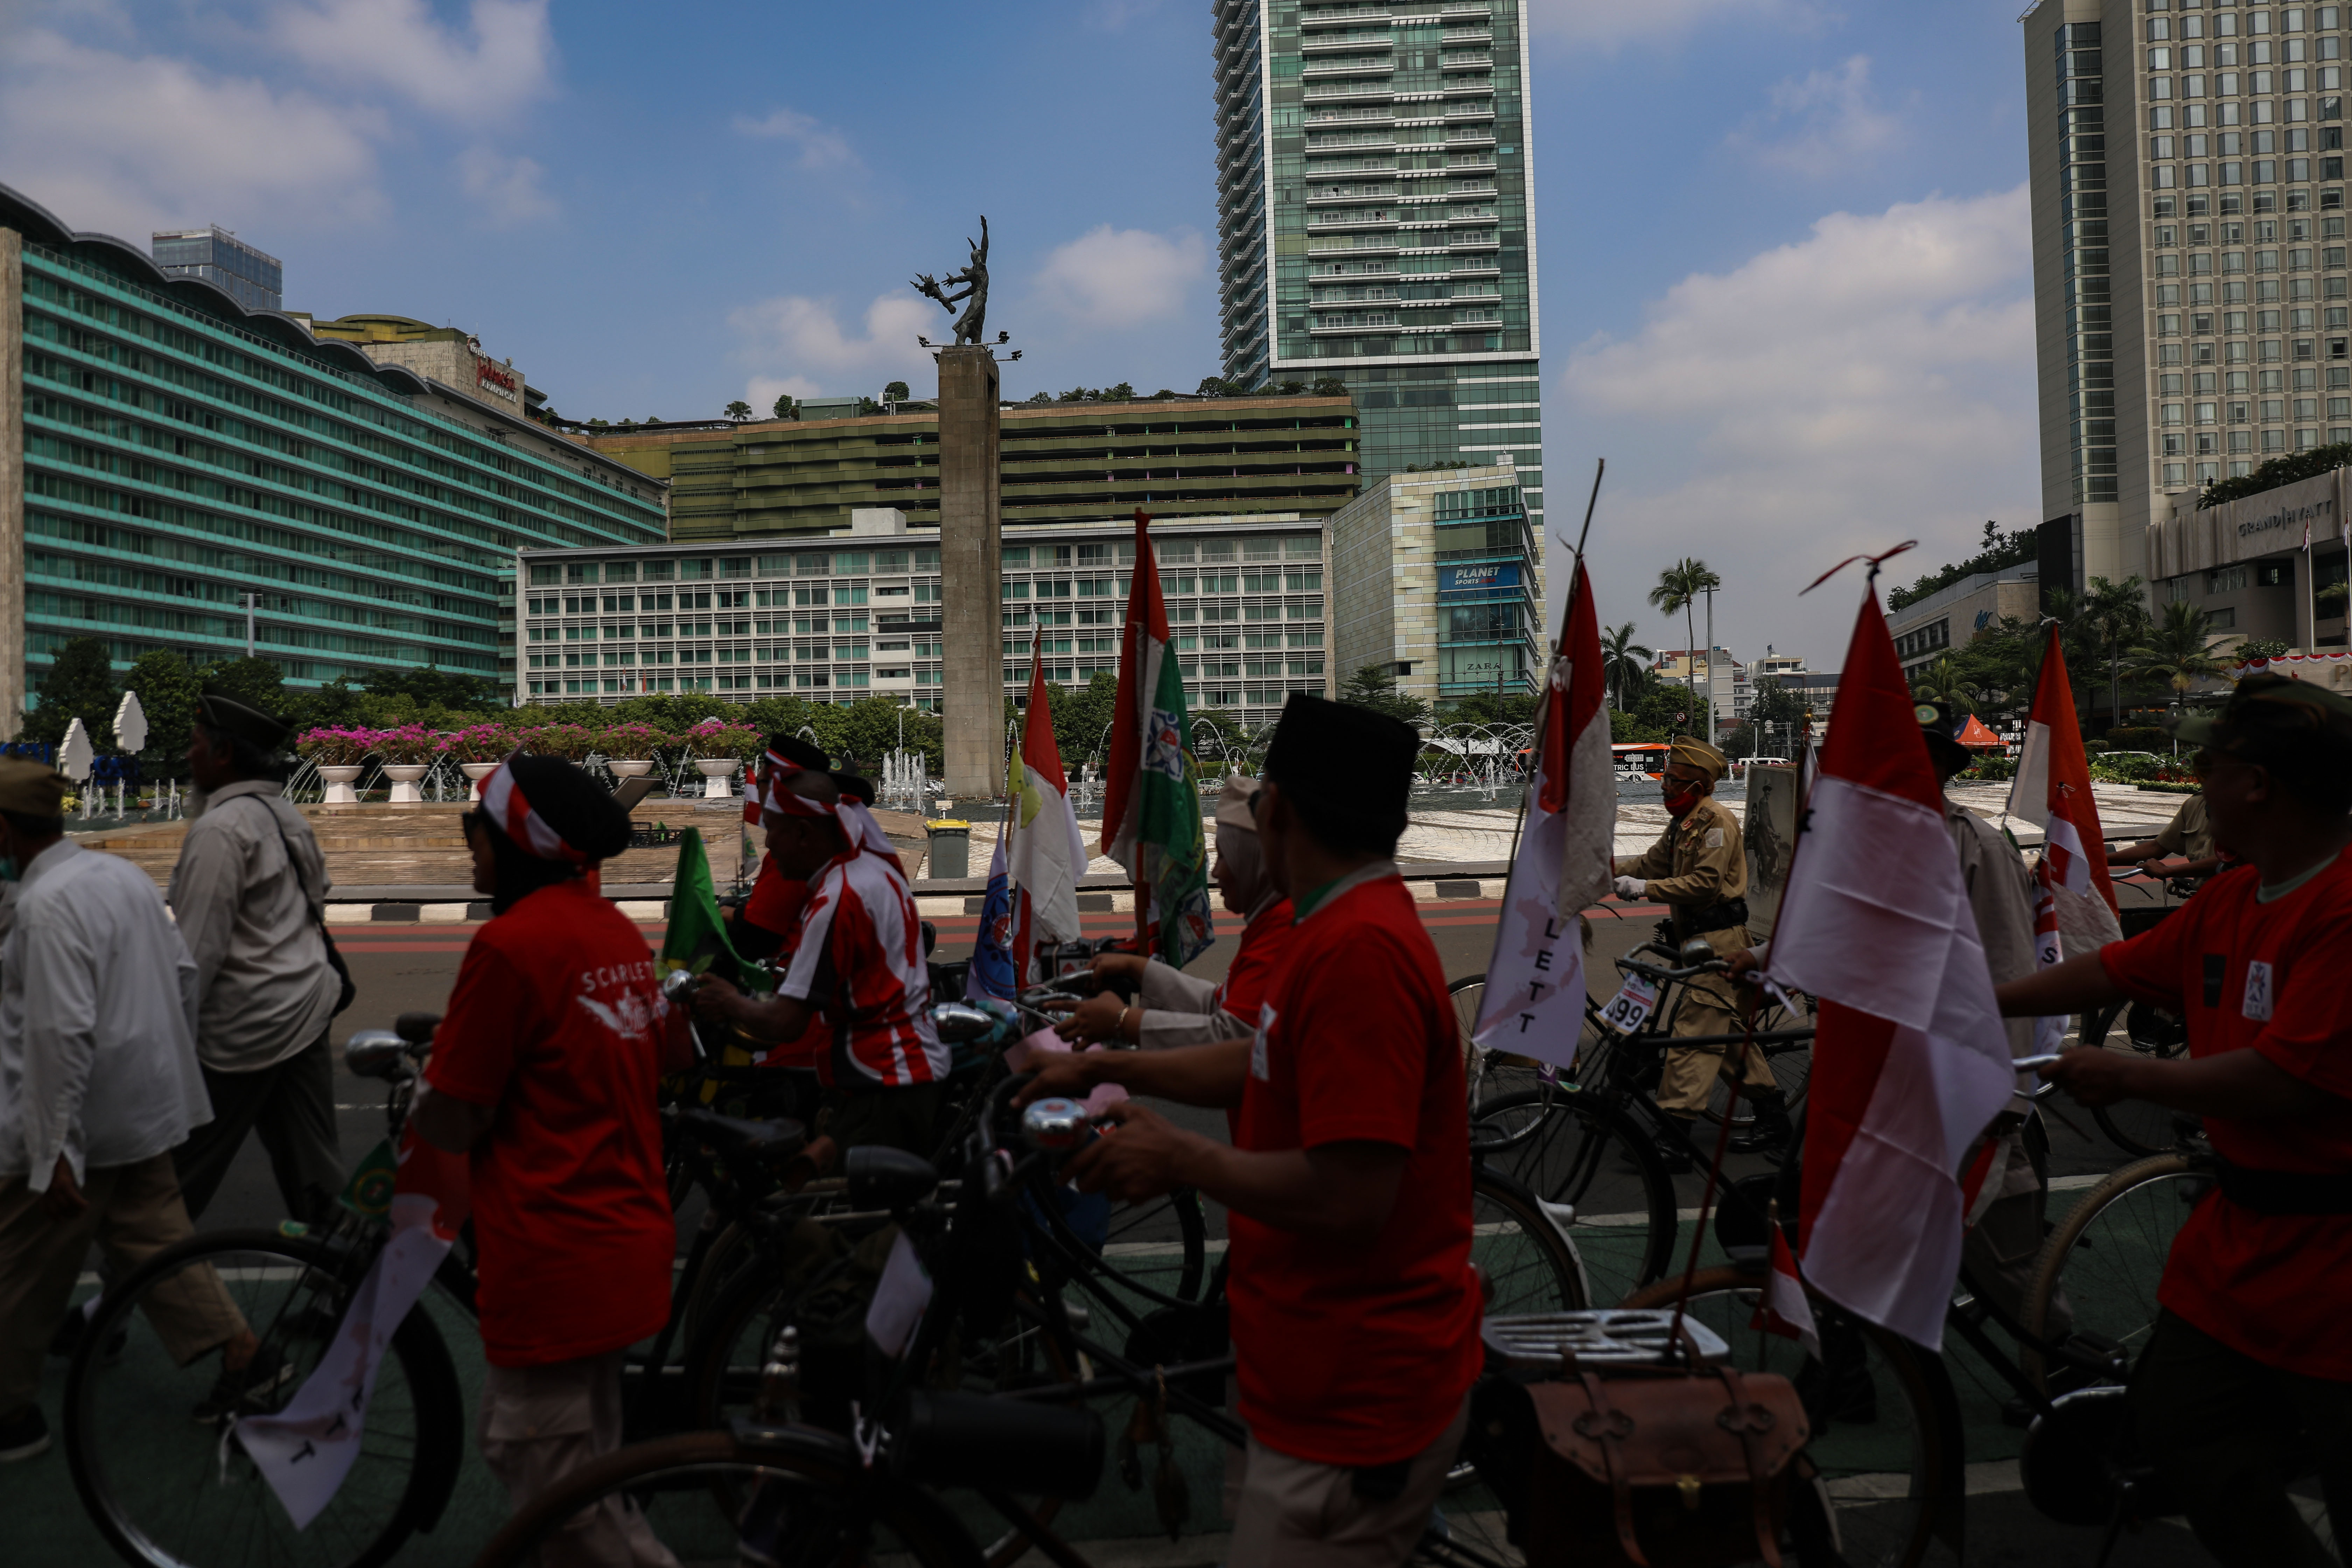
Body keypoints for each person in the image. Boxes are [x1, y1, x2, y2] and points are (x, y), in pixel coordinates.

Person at [1019, 694, 1481, 1568]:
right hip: (1306, 1372)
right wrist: (1106, 1068)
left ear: (1279, 813)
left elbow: (1352, 1200)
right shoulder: (1325, 927)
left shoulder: (1358, 952)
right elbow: (1252, 1060)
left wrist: (1184, 1155)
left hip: (1354, 1392)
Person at [1994, 674, 2352, 1568]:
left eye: (2207, 768)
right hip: (2235, 1248)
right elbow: (2116, 970)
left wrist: (2128, 1072)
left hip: (2336, 1256)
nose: (2199, 788)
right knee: (2184, 1434)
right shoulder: (2234, 898)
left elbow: (2285, 1082)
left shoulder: (2340, 910)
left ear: (2259, 784)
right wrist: (1977, 1003)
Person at [411, 755, 680, 1568]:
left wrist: (431, 1091)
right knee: (579, 1463)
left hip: (552, 1254)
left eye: (477, 835)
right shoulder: (613, 930)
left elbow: (457, 1118)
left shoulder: (508, 947)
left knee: (557, 1488)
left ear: (516, 844)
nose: (470, 853)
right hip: (627, 1241)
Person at [0, 762, 258, 1465]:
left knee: (19, 1268)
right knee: (157, 1241)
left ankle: (11, 1415)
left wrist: (55, 1148)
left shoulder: (46, 903)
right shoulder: (117, 878)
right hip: (140, 1108)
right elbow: (181, 975)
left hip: (78, 1124)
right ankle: (242, 1351)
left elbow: (60, 1032)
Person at [689, 764, 947, 1167]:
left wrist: (727, 1001)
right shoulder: (874, 871)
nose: (770, 845)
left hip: (881, 1080)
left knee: (848, 1222)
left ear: (805, 833)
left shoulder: (838, 898)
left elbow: (785, 1024)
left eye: (774, 830)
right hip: (897, 1072)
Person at [165, 693, 343, 1225]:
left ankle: (118, 1294)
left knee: (172, 1188)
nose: (188, 756)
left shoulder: (221, 830)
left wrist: (167, 1047)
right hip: (305, 1010)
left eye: (195, 744)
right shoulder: (284, 815)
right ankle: (359, 1290)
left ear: (222, 754)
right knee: (320, 1184)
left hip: (238, 1032)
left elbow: (197, 951)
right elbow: (319, 896)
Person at [1917, 702, 2052, 1324]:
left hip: (1965, 1073)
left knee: (1999, 1248)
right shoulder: (1865, 843)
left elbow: (2010, 970)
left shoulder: (1976, 846)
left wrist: (2010, 1090)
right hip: (1887, 1074)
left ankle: (2063, 1371)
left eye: (1927, 755)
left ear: (1945, 767)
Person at [1610, 736, 1783, 1160]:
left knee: (1690, 1038)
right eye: (1667, 777)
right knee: (1725, 1039)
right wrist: (1603, 869)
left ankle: (1674, 1138)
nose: (1665, 786)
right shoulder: (1683, 822)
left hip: (1721, 944)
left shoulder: (1717, 822)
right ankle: (1775, 1118)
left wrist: (1645, 889)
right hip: (1696, 942)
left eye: (1676, 780)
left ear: (1700, 785)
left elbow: (1704, 883)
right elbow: (1652, 864)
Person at [1057, 774, 1295, 1050]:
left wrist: (1121, 1023)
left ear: (1253, 861)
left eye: (1225, 857)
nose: (1216, 872)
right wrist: (1139, 969)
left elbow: (1234, 1042)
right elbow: (1219, 1004)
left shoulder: (1282, 930)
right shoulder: (1268, 923)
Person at [2108, 789, 2227, 882]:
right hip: (2204, 896)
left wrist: (2169, 871)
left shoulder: (2244, 806)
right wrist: (2101, 861)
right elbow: (2159, 847)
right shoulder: (2196, 804)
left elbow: (2230, 858)